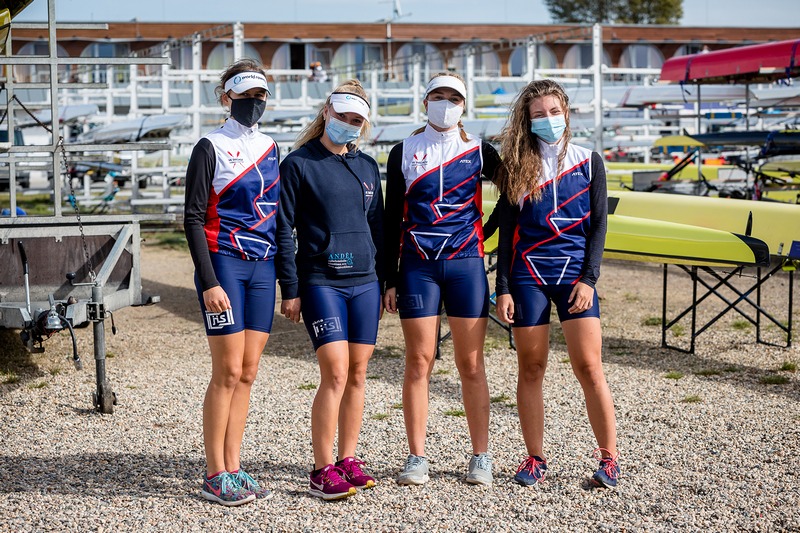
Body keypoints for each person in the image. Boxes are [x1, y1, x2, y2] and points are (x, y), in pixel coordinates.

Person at [493, 79, 620, 488]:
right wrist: (503, 287)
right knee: (531, 368)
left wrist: (589, 279)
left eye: (553, 112)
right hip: (528, 277)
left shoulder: (589, 161)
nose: (547, 119)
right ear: (527, 121)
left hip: (574, 279)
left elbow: (599, 226)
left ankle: (609, 459)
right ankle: (535, 458)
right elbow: (507, 233)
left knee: (589, 368)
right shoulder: (516, 167)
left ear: (566, 113)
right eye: (538, 114)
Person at [383, 72, 502, 486]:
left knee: (470, 363)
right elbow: (390, 218)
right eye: (438, 95)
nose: (446, 103)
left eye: (454, 97)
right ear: (425, 101)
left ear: (464, 106)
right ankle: (416, 457)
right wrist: (389, 277)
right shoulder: (402, 151)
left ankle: (481, 456)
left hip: (466, 264)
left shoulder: (480, 149)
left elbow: (514, 195)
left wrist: (485, 232)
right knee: (419, 361)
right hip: (418, 267)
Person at [276, 79, 384, 501]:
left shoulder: (367, 167)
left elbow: (377, 227)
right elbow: (283, 229)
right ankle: (322, 469)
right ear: (327, 112)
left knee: (357, 373)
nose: (348, 124)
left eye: (356, 120)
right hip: (322, 282)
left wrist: (385, 281)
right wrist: (290, 288)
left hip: (366, 283)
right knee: (336, 372)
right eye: (342, 116)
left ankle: (347, 459)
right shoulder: (299, 164)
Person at [184, 59, 279, 506]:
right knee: (226, 371)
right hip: (224, 265)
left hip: (263, 268)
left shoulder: (271, 146)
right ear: (226, 98)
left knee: (248, 371)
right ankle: (213, 473)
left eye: (260, 96)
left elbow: (277, 215)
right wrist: (208, 281)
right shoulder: (210, 145)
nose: (254, 104)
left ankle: (235, 467)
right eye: (245, 97)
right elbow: (192, 217)